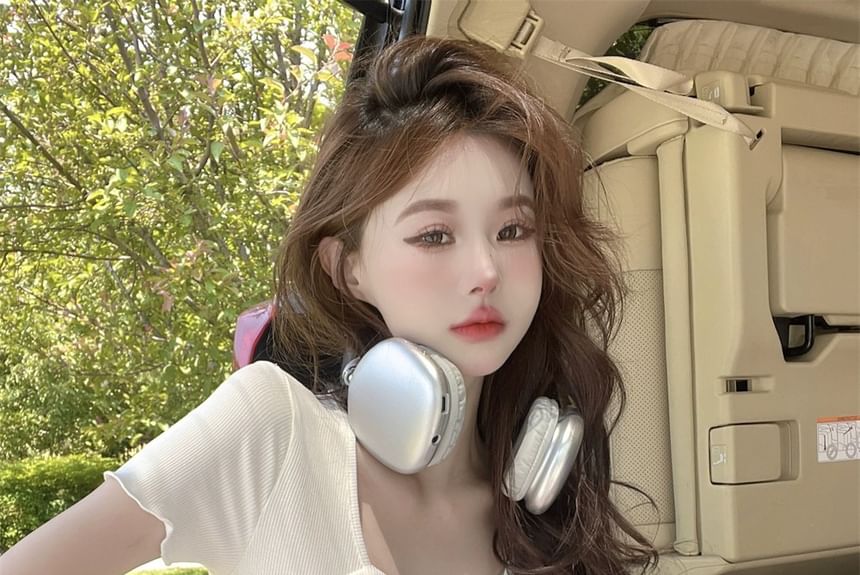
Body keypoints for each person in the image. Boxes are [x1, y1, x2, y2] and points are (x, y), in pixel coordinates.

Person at [0, 36, 659, 574]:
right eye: (435, 235)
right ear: (349, 269)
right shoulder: (273, 430)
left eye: (512, 230)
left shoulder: (543, 499)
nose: (486, 270)